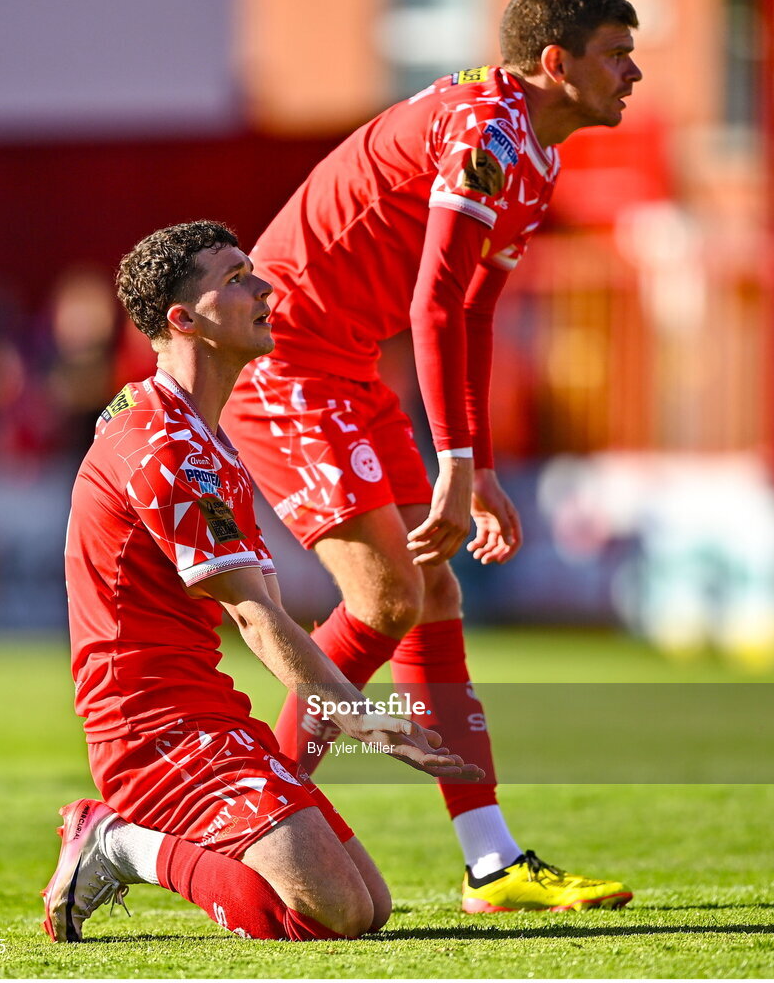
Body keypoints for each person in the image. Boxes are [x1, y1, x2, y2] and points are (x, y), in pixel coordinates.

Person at [222, 0, 641, 913]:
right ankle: (252, 814)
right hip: (283, 359)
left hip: (343, 367)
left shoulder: (532, 153)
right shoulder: (487, 129)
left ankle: (490, 862)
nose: (634, 71)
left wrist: (478, 463)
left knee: (430, 590)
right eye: (617, 54)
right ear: (555, 62)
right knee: (387, 596)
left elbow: (474, 312)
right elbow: (433, 303)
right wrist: (455, 463)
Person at [41, 220, 481, 944]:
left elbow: (262, 610)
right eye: (237, 279)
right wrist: (371, 726)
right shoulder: (169, 447)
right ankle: (118, 842)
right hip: (151, 730)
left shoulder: (194, 430)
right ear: (184, 319)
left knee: (369, 905)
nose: (265, 288)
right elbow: (255, 618)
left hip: (206, 709)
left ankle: (141, 838)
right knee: (331, 913)